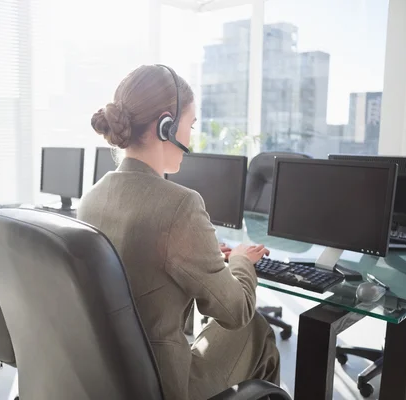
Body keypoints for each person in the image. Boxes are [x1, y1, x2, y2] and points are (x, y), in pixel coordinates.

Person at [78, 64, 280, 400]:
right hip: (162, 386)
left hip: (108, 379)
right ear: (165, 126)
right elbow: (235, 312)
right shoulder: (180, 205)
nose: (191, 136)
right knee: (255, 328)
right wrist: (242, 261)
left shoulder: (91, 197)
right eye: (191, 124)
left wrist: (203, 252)